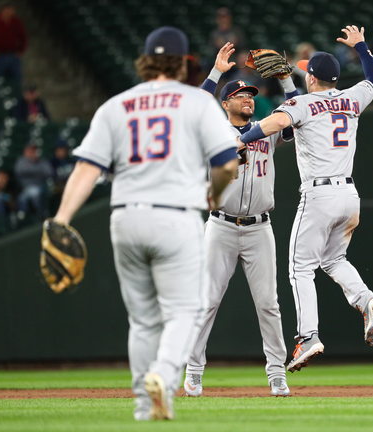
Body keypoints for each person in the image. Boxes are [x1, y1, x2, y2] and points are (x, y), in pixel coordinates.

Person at [52, 26, 239, 421]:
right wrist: (215, 194)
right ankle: (163, 375)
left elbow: (87, 169)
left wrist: (61, 219)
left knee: (142, 320)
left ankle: (143, 405)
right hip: (175, 217)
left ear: (145, 59)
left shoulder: (116, 106)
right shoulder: (196, 102)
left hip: (125, 218)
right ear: (185, 62)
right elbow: (227, 163)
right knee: (186, 310)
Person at [237, 25, 373, 373]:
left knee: (300, 267)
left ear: (314, 78)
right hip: (350, 195)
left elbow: (277, 123)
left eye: (306, 73)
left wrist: (243, 137)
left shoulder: (301, 102)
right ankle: (367, 302)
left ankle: (308, 336)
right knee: (333, 260)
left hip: (319, 195)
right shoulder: (353, 97)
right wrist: (362, 47)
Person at [183, 42, 298, 398]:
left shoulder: (267, 127)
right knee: (207, 301)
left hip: (260, 227)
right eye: (240, 95)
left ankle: (277, 374)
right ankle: (194, 371)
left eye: (250, 94)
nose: (248, 98)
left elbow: (298, 113)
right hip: (220, 226)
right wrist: (217, 72)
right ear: (225, 102)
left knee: (269, 303)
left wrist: (287, 80)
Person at [0, 3, 27, 82]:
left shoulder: (16, 22)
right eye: (7, 10)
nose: (9, 12)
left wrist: (21, 51)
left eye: (11, 10)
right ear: (2, 11)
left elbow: (23, 37)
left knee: (16, 78)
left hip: (13, 54)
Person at [14, 143, 53, 219]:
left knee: (35, 193)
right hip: (25, 188)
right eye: (31, 150)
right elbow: (19, 171)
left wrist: (32, 170)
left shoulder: (42, 161)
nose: (33, 152)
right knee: (22, 199)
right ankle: (24, 218)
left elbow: (49, 172)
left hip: (40, 186)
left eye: (34, 150)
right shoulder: (21, 161)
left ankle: (41, 216)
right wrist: (37, 171)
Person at [208, 7, 246, 78]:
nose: (223, 19)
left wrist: (235, 44)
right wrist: (218, 46)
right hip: (220, 65)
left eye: (225, 16)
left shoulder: (236, 31)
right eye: (221, 17)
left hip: (235, 65)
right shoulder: (215, 33)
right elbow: (211, 50)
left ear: (229, 18)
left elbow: (242, 47)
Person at [49, 141, 75, 214]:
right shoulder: (52, 163)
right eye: (58, 150)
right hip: (59, 191)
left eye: (62, 149)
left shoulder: (71, 161)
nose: (60, 152)